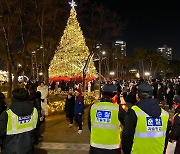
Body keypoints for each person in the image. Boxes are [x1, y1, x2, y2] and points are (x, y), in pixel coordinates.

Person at [122, 83, 169, 154]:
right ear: (152, 96)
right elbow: (166, 138)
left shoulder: (134, 112)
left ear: (137, 96)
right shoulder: (164, 114)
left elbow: (127, 136)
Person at [0, 88, 38, 154]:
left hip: (10, 149)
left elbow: (1, 132)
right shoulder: (34, 111)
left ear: (13, 98)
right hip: (29, 148)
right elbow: (36, 128)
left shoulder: (7, 114)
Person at [88, 84, 122, 154]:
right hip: (112, 147)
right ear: (114, 96)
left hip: (95, 146)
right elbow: (127, 126)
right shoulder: (117, 108)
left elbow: (90, 125)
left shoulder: (93, 107)